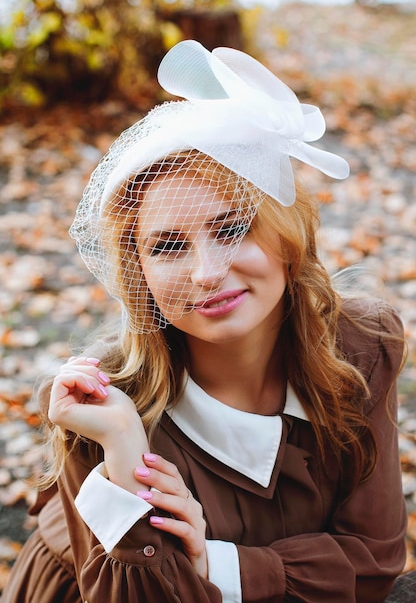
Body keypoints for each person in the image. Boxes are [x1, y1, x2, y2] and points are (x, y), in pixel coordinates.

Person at [2, 40, 408, 603]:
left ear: (286, 239)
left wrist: (211, 564)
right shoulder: (98, 405)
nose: (206, 273)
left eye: (231, 228)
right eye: (168, 245)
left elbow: (373, 560)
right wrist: (125, 449)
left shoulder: (362, 349)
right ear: (137, 271)